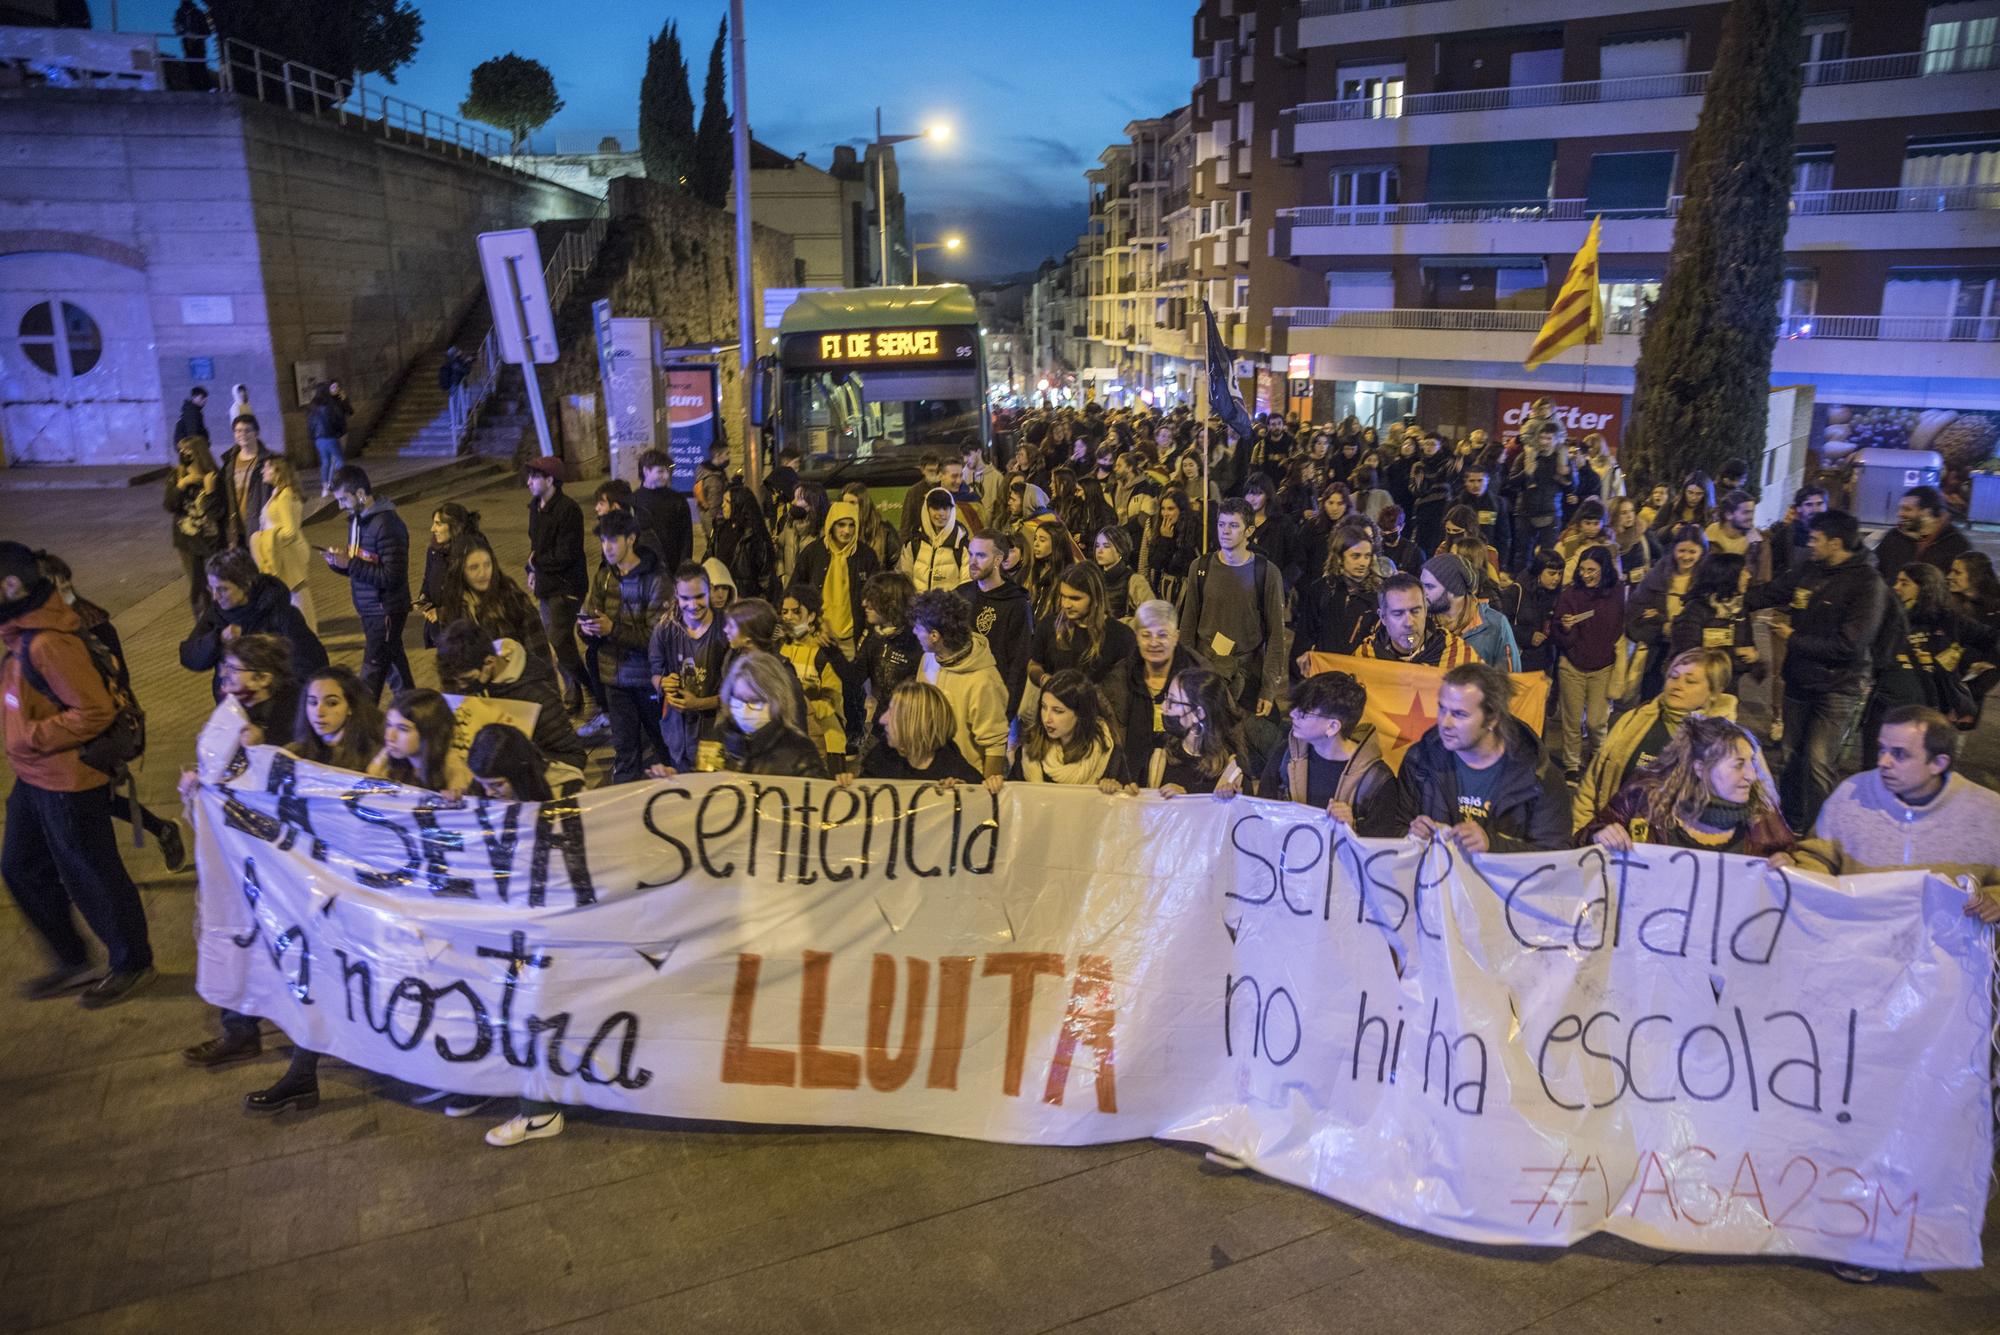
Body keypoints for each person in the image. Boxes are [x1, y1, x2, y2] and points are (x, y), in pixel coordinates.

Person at [0, 542, 156, 1006]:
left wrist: (30, 735)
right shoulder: (21, 635)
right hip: (33, 777)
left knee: (92, 873)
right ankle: (73, 960)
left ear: (12, 586)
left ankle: (133, 962)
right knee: (20, 865)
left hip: (68, 779)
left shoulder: (48, 642)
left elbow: (94, 711)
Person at [460, 724, 569, 1147]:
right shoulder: (483, 798)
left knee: (529, 1014)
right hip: (508, 930)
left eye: (497, 785)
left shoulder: (564, 791)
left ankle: (539, 1113)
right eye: (484, 785)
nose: (489, 794)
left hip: (548, 935)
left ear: (521, 775)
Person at [1745, 510, 1887, 832]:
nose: (1809, 544)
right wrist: (1733, 592)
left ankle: (1821, 832)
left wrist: (1792, 638)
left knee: (1819, 762)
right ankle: (1790, 823)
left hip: (1838, 686)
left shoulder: (1867, 584)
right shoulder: (1810, 570)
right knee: (1791, 757)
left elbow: (1850, 645)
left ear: (1836, 543)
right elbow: (1773, 593)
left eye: (1815, 539)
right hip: (1799, 680)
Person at [1800, 705, 2000, 918]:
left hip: (1942, 948)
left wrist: (1995, 900)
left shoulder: (1988, 812)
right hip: (1858, 940)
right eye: (1882, 749)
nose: (1883, 762)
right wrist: (1799, 873)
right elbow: (1816, 856)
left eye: (1899, 754)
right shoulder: (1852, 793)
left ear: (1938, 763)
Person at [1400, 662, 1569, 854]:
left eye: (1459, 714)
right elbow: (1394, 829)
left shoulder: (1540, 777)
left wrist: (1492, 846)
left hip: (1500, 884)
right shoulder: (1420, 759)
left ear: (1492, 719)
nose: (1445, 723)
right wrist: (1411, 834)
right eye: (1442, 709)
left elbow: (1556, 859)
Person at [1580, 715, 1795, 857]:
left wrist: (1788, 864)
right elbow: (1581, 844)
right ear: (1700, 768)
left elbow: (1793, 864)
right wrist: (1599, 836)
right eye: (1739, 764)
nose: (1752, 775)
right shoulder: (1644, 798)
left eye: (1752, 763)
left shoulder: (1764, 815)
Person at [1572, 646, 1735, 833]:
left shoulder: (1730, 740)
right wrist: (1583, 831)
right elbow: (1594, 782)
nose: (1678, 685)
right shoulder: (1634, 720)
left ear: (1713, 692)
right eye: (1673, 676)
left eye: (1690, 681)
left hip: (1683, 854)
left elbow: (1756, 806)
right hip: (1618, 844)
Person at [1258, 670, 1412, 837]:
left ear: (1332, 727)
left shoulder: (1377, 780)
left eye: (1304, 712)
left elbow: (1381, 850)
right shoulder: (1287, 753)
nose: (1293, 714)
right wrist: (1233, 798)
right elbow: (1261, 810)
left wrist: (1352, 827)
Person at [433, 620, 589, 777]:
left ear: (489, 662)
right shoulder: (470, 686)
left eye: (467, 679)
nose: (461, 688)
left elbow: (574, 757)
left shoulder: (536, 695)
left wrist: (522, 760)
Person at [577, 511, 667, 783]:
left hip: (646, 679)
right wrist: (588, 630)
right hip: (613, 678)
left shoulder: (656, 580)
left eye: (613, 541)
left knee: (663, 744)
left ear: (631, 539)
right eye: (603, 541)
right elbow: (595, 619)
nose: (607, 547)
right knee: (625, 750)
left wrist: (612, 630)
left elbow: (657, 637)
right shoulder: (604, 577)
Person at [1176, 501, 1288, 715]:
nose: (1225, 531)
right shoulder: (1200, 567)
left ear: (1249, 531)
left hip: (1245, 673)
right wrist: (1184, 674)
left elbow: (1276, 635)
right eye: (1221, 524)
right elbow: (1188, 624)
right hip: (1204, 667)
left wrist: (1268, 690)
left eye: (1233, 525)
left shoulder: (1266, 573)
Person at [179, 548, 328, 698]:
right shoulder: (217, 613)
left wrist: (280, 702)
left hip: (273, 711)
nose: (215, 597)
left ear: (246, 585)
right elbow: (190, 657)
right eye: (211, 589)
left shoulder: (281, 614)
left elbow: (312, 666)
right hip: (233, 710)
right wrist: (218, 639)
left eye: (222, 589)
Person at [322, 466, 413, 702]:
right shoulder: (357, 521)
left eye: (343, 499)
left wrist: (349, 564)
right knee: (394, 667)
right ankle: (414, 711)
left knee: (371, 674)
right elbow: (361, 568)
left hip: (385, 610)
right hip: (370, 608)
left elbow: (392, 575)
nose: (340, 506)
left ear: (360, 494)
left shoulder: (387, 524)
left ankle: (361, 724)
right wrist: (338, 563)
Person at [913, 589, 1009, 778]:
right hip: (930, 775)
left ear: (935, 636)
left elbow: (994, 745)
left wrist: (987, 798)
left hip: (966, 782)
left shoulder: (983, 680)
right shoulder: (928, 659)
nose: (914, 632)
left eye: (918, 628)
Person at [524, 456, 593, 715]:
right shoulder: (535, 506)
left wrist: (537, 563)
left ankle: (590, 688)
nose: (529, 482)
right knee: (559, 645)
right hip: (546, 585)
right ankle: (574, 694)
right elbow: (535, 548)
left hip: (567, 586)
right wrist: (531, 570)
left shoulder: (568, 510)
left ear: (550, 480)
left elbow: (567, 553)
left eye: (534, 477)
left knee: (557, 640)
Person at [1550, 544, 1625, 778]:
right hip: (1572, 665)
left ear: (1604, 570)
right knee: (1571, 721)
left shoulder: (1618, 592)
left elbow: (1623, 627)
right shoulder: (1571, 594)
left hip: (1603, 667)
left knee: (1595, 722)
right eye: (1582, 569)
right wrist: (1566, 628)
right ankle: (1572, 764)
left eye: (1592, 569)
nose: (1586, 575)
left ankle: (1598, 755)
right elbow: (1560, 636)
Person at [1029, 562, 1139, 720]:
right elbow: (1034, 664)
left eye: (1075, 598)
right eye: (1063, 596)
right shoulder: (1049, 625)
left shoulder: (1121, 636)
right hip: (1054, 719)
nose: (1066, 604)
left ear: (1095, 598)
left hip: (1097, 723)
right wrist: (1044, 679)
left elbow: (1127, 688)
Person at [649, 562, 729, 772]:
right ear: (676, 594)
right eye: (685, 598)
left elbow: (739, 692)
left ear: (709, 590)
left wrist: (699, 704)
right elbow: (655, 673)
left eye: (699, 597)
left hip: (715, 735)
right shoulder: (665, 629)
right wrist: (663, 683)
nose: (693, 605)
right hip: (678, 736)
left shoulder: (728, 629)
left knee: (712, 794)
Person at [1010, 669, 1130, 792]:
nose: (1047, 719)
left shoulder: (1109, 754)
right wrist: (997, 784)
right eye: (1044, 707)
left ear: (1081, 714)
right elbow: (1012, 796)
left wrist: (1115, 789)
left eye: (1057, 711)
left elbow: (1125, 799)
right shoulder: (1029, 747)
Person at [1624, 524, 1708, 700]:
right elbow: (1637, 606)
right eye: (1682, 550)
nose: (1686, 557)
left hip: (1691, 651)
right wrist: (1660, 624)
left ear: (1702, 552)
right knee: (1652, 696)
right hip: (1659, 648)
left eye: (1692, 552)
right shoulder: (1659, 574)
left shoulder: (1707, 579)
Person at [844, 680, 983, 783]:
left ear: (914, 723)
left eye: (892, 713)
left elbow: (987, 808)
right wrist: (849, 787)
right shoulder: (881, 757)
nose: (883, 720)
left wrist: (962, 796)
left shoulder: (955, 771)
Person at [717, 651, 829, 777]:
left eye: (755, 700)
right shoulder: (718, 740)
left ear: (777, 701)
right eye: (738, 698)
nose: (744, 708)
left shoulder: (800, 752)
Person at [958, 530, 1033, 717]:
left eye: (981, 555)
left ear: (998, 560)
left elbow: (1019, 661)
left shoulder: (1016, 603)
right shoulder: (960, 595)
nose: (973, 562)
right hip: (959, 696)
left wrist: (1007, 710)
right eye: (971, 554)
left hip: (993, 703)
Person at [436, 534, 548, 658]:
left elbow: (540, 654)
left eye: (487, 564)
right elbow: (449, 664)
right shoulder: (452, 609)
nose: (483, 573)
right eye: (474, 567)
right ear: (460, 571)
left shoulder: (513, 599)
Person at [1140, 667, 1247, 795]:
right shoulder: (1159, 753)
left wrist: (1186, 801)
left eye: (1172, 701)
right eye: (1166, 698)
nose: (1163, 706)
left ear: (1199, 713)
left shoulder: (1234, 769)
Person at [795, 499, 882, 654]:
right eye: (841, 525)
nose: (846, 531)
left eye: (851, 525)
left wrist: (866, 636)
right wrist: (806, 630)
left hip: (851, 641)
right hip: (816, 637)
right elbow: (794, 593)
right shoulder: (813, 552)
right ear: (831, 525)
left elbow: (876, 599)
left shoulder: (866, 556)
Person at [776, 587, 847, 767]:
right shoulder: (780, 649)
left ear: (812, 616)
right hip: (792, 741)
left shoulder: (824, 652)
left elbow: (832, 701)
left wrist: (799, 705)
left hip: (827, 742)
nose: (789, 617)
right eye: (785, 612)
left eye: (796, 611)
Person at [1294, 522, 1379, 665]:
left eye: (1367, 556)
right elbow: (1304, 637)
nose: (1363, 563)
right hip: (1324, 674)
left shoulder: (1378, 595)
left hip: (1360, 675)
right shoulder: (1321, 590)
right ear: (1340, 557)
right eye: (1355, 556)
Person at [1355, 573, 1477, 668]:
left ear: (1425, 610)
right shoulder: (1366, 657)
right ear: (1383, 618)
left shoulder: (1456, 653)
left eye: (1415, 611)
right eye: (1398, 614)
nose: (1409, 623)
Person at [1421, 553, 1519, 671]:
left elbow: (1511, 678)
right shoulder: (1421, 619)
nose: (1422, 592)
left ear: (1454, 589)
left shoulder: (1495, 625)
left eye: (1429, 586)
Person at [251, 454, 317, 630]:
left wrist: (262, 539)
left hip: (290, 551)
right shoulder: (277, 492)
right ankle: (302, 634)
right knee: (292, 596)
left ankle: (310, 636)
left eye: (267, 467)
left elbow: (290, 531)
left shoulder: (285, 495)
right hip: (283, 550)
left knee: (298, 596)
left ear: (279, 470)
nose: (263, 471)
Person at [1666, 552, 1757, 674]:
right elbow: (1686, 654)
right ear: (1728, 575)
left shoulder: (1740, 609)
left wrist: (1753, 656)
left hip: (1727, 685)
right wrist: (1735, 652)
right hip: (1696, 684)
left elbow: (1747, 649)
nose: (1749, 576)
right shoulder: (1695, 610)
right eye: (1744, 571)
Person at [166, 434, 226, 619]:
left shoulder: (214, 477)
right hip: (187, 542)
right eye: (181, 451)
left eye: (188, 451)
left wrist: (209, 492)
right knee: (197, 589)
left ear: (199, 453)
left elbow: (218, 513)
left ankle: (222, 622)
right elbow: (170, 505)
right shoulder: (177, 476)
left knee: (217, 584)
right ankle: (203, 626)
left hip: (211, 542)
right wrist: (182, 485)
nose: (184, 455)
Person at [369, 688, 470, 792]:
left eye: (403, 729)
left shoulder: (451, 766)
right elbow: (369, 783)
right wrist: (383, 756)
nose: (390, 737)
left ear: (429, 732)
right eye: (389, 725)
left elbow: (458, 794)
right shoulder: (394, 758)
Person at [1872, 484, 1972, 580]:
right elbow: (1875, 571)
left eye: (1907, 509)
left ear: (1927, 513)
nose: (1900, 514)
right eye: (1900, 508)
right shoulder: (1894, 537)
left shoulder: (1957, 545)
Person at [416, 503, 479, 647]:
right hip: (441, 629)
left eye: (438, 524)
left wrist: (442, 613)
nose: (432, 529)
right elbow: (428, 579)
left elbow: (475, 599)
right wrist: (424, 601)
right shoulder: (434, 550)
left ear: (454, 526)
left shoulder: (471, 553)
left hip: (465, 631)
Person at [709, 481, 777, 602]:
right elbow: (710, 558)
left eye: (728, 502)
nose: (722, 505)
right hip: (721, 597)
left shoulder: (755, 535)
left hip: (746, 600)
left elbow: (766, 575)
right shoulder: (720, 529)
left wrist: (761, 602)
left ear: (739, 505)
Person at [630, 448, 694, 575]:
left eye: (667, 471)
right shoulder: (633, 501)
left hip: (672, 569)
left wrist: (683, 568)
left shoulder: (677, 500)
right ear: (646, 471)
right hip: (643, 571)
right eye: (660, 471)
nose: (666, 476)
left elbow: (686, 539)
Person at [901, 485, 972, 594]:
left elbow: (967, 584)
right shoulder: (914, 541)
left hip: (949, 609)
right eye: (936, 508)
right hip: (918, 608)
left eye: (945, 508)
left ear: (952, 510)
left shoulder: (962, 543)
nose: (941, 513)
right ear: (926, 510)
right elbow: (905, 580)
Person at [216, 413, 270, 548]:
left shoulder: (269, 461)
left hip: (261, 528)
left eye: (247, 430)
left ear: (256, 433)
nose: (242, 434)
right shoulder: (229, 462)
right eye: (238, 431)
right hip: (237, 530)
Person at [1091, 525, 1155, 622]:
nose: (1099, 551)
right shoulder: (1095, 578)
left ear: (1120, 550)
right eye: (1097, 546)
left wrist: (1125, 624)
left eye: (1106, 546)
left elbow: (1152, 615)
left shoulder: (1134, 580)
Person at [306, 383, 348, 498]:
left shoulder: (312, 407)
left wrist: (312, 436)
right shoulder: (329, 406)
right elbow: (337, 420)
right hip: (330, 437)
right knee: (340, 461)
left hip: (318, 439)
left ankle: (325, 488)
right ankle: (345, 484)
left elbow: (310, 424)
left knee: (325, 462)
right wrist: (340, 432)